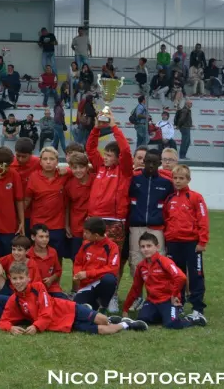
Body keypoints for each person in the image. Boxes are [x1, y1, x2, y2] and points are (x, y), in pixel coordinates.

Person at [0, 262, 146, 335]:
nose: (18, 282)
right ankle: (127, 325)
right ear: (10, 279)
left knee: (102, 320)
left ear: (28, 278)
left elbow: (47, 311)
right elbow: (3, 320)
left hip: (69, 309)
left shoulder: (38, 287)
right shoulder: (14, 299)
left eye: (21, 278)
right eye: (15, 279)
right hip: (62, 324)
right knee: (102, 330)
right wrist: (10, 328)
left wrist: (37, 326)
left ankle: (113, 319)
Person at [85, 113, 132, 313]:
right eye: (105, 155)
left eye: (110, 155)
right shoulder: (100, 166)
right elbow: (89, 148)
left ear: (118, 157)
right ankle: (90, 294)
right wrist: (96, 128)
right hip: (94, 219)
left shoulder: (124, 170)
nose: (105, 158)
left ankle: (111, 295)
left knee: (112, 260)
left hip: (115, 221)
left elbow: (127, 151)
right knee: (91, 258)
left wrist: (114, 127)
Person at [122, 232, 203, 328]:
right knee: (142, 320)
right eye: (142, 247)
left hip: (168, 301)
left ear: (157, 247)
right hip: (152, 301)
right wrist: (125, 309)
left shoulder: (164, 261)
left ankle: (194, 320)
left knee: (171, 324)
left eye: (149, 246)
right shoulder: (141, 266)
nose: (145, 249)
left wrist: (174, 295)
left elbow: (181, 277)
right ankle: (165, 315)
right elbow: (135, 288)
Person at [164, 165, 209, 322]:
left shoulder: (195, 197)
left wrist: (202, 241)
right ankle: (179, 303)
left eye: (181, 178)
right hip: (173, 243)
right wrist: (167, 239)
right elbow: (166, 219)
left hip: (191, 243)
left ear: (188, 179)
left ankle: (197, 308)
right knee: (177, 275)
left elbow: (203, 220)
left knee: (196, 276)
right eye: (175, 178)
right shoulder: (170, 199)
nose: (177, 181)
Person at [127, 151, 173, 278]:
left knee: (158, 259)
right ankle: (138, 295)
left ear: (159, 163)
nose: (151, 165)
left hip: (156, 227)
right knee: (136, 259)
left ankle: (157, 294)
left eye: (154, 163)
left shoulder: (167, 183)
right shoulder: (134, 180)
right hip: (136, 226)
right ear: (144, 162)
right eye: (148, 162)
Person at [25, 147, 68, 255]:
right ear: (40, 161)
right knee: (37, 256)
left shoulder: (65, 175)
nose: (48, 162)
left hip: (58, 225)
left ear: (57, 161)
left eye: (52, 159)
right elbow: (26, 201)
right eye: (45, 159)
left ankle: (57, 273)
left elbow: (85, 168)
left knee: (56, 257)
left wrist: (67, 169)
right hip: (38, 224)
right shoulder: (34, 177)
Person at [72, 216, 120, 311]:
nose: (84, 235)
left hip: (101, 283)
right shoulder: (85, 244)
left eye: (87, 233)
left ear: (96, 235)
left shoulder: (112, 247)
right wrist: (77, 274)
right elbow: (78, 262)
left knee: (109, 279)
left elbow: (113, 268)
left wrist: (87, 274)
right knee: (77, 308)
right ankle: (95, 304)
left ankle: (104, 305)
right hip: (87, 285)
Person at [64, 152, 92, 270]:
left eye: (81, 167)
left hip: (92, 227)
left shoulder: (96, 180)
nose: (78, 170)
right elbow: (67, 206)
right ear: (70, 168)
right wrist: (67, 225)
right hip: (76, 227)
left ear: (87, 167)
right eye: (75, 168)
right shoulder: (69, 185)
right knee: (76, 260)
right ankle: (75, 288)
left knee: (92, 259)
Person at [29, 224, 64, 297]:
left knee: (65, 302)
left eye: (47, 236)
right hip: (34, 290)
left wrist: (51, 279)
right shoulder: (28, 255)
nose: (45, 239)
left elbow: (58, 271)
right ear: (33, 237)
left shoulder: (53, 252)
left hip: (51, 288)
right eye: (41, 237)